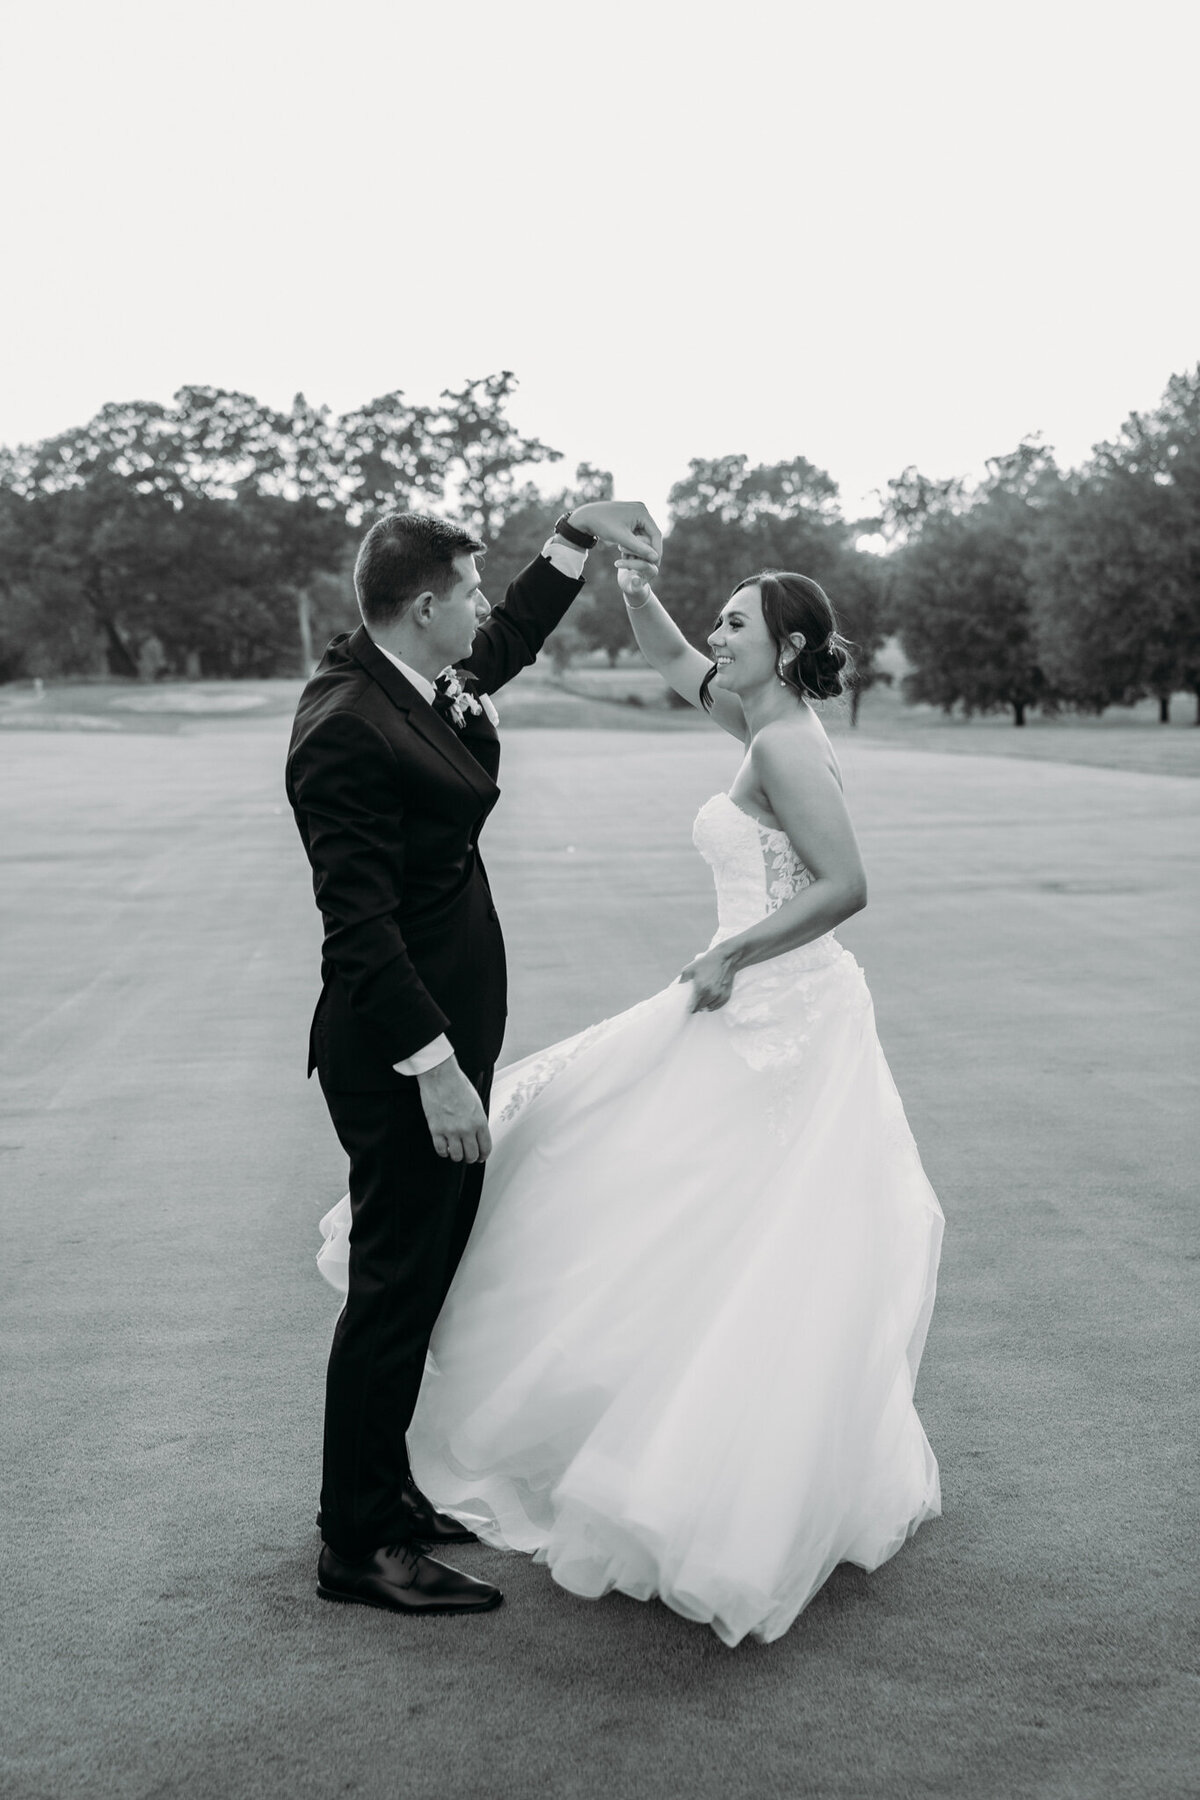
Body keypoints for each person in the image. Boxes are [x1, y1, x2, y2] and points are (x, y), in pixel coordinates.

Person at [319, 557, 945, 1647]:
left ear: (787, 648)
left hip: (773, 1008)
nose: (718, 631)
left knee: (722, 1222)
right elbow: (669, 659)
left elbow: (849, 887)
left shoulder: (787, 744)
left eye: (737, 622)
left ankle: (718, 1482)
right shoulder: (754, 717)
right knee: (655, 1199)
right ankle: (410, 1495)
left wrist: (733, 954)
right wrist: (634, 585)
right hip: (744, 1000)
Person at [287, 499, 662, 1617]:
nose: (485, 609)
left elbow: (500, 648)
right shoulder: (346, 724)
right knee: (395, 1289)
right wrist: (437, 1069)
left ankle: (383, 1492)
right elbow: (355, 926)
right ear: (422, 607)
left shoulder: (417, 676)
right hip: (405, 1059)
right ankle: (356, 1545)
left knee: (421, 1279)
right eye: (471, 590)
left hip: (452, 1038)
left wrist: (574, 540)